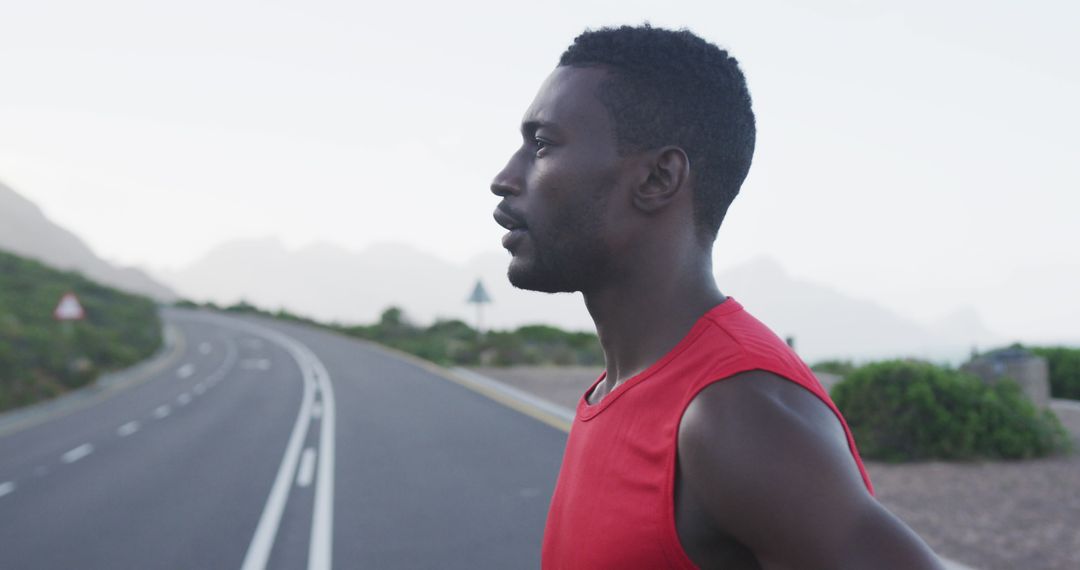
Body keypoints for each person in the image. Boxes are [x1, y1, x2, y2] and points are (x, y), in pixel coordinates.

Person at [491, 25, 944, 570]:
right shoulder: (620, 389)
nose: (505, 178)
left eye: (542, 145)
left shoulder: (733, 413)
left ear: (658, 178)